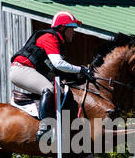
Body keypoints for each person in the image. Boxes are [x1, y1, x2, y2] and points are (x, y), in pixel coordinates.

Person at [10, 11, 95, 141]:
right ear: (62, 28)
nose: (74, 32)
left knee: (61, 88)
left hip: (30, 70)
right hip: (21, 70)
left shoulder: (58, 43)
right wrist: (81, 69)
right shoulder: (49, 38)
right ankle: (45, 128)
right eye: (72, 28)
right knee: (48, 88)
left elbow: (59, 70)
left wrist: (80, 75)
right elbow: (58, 63)